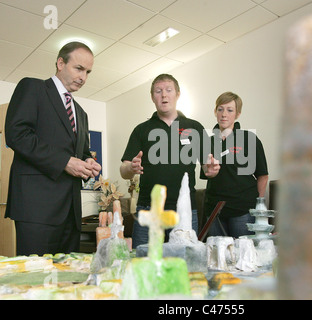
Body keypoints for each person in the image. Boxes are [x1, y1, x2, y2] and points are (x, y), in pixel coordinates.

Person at [5, 41, 101, 256]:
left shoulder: (81, 113)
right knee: (35, 279)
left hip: (71, 214)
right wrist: (65, 162)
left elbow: (81, 152)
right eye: (78, 68)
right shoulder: (33, 87)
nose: (83, 77)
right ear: (60, 63)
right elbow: (16, 135)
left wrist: (88, 162)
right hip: (36, 210)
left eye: (88, 72)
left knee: (68, 278)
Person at [120, 74, 219, 248]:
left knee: (186, 264)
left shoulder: (194, 127)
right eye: (158, 91)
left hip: (184, 211)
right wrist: (131, 167)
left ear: (177, 94)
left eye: (168, 90)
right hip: (148, 210)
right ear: (152, 97)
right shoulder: (141, 130)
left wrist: (211, 169)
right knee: (143, 263)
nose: (164, 95)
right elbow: (123, 169)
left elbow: (207, 164)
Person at [200, 92, 268, 238]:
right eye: (220, 109)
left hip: (243, 210)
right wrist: (208, 169)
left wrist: (258, 207)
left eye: (230, 110)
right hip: (214, 211)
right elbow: (205, 172)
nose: (224, 114)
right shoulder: (207, 142)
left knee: (242, 257)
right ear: (215, 111)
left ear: (237, 114)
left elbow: (263, 175)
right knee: (217, 257)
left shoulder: (249, 139)